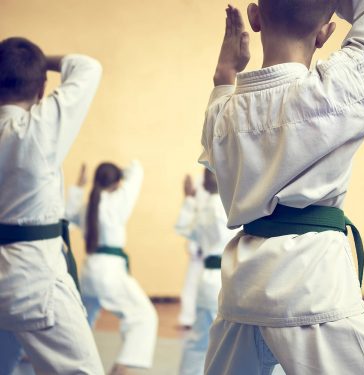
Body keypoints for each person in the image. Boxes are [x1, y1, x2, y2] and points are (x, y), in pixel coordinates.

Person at [199, 1, 364, 373]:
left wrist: (225, 72)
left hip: (241, 293)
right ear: (326, 31)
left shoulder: (223, 114)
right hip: (313, 288)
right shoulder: (335, 90)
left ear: (255, 17)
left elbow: (222, 92)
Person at [0, 37, 104, 374]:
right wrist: (41, 62)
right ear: (41, 89)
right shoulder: (35, 129)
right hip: (33, 278)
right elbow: (88, 67)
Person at [66, 162, 158, 375]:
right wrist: (121, 173)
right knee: (144, 315)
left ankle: (66, 362)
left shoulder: (88, 206)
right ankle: (122, 367)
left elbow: (68, 215)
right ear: (117, 183)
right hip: (110, 272)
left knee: (82, 321)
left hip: (89, 271)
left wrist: (78, 187)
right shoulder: (118, 201)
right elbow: (137, 169)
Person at [176, 169, 238, 375]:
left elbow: (182, 228)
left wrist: (189, 201)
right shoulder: (230, 208)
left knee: (199, 338)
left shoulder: (203, 209)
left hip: (207, 279)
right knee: (233, 339)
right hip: (227, 278)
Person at [176, 176, 208, 329]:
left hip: (215, 250)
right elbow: (190, 223)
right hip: (198, 248)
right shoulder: (198, 183)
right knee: (191, 286)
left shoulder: (230, 180)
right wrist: (188, 197)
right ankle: (187, 319)